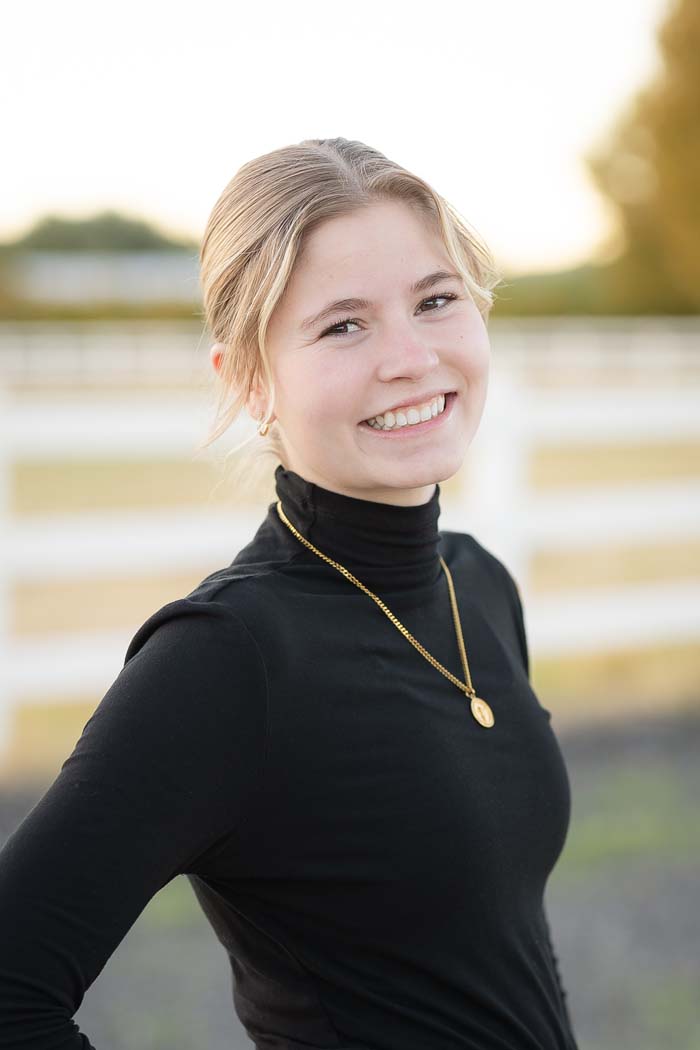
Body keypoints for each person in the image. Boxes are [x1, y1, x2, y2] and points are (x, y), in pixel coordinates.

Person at [0, 137, 579, 1049]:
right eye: (343, 325)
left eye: (435, 301)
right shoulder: (229, 655)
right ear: (250, 381)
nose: (410, 357)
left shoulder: (478, 584)